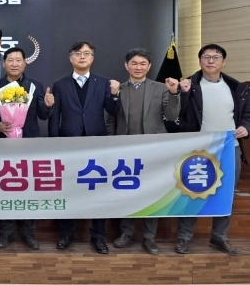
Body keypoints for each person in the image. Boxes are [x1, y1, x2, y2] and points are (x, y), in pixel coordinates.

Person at [174, 44, 249, 256]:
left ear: (224, 62)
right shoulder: (188, 85)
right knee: (191, 192)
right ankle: (184, 237)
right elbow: (176, 115)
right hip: (197, 149)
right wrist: (183, 93)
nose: (210, 61)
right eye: (206, 57)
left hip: (229, 148)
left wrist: (246, 127)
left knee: (226, 194)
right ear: (199, 61)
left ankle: (219, 237)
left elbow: (247, 115)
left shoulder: (237, 88)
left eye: (216, 57)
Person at [107, 48, 180, 255]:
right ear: (126, 66)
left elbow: (172, 115)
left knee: (151, 192)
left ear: (149, 66)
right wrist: (110, 144)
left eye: (142, 64)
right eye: (134, 63)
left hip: (153, 150)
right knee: (126, 192)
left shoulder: (161, 88)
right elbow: (111, 120)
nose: (138, 67)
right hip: (125, 150)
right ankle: (126, 233)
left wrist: (174, 93)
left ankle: (149, 237)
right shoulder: (118, 89)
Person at [48, 41, 118, 254]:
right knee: (67, 190)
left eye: (86, 53)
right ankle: (66, 234)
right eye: (78, 53)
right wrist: (54, 143)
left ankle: (98, 237)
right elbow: (54, 117)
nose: (82, 57)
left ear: (92, 58)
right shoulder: (60, 85)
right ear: (70, 58)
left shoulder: (103, 83)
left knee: (99, 192)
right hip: (68, 145)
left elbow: (113, 111)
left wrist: (115, 94)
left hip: (97, 144)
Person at [0, 47, 53, 249]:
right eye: (10, 60)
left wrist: (48, 105)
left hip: (29, 145)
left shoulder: (35, 85)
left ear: (25, 63)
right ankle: (5, 232)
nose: (14, 64)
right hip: (3, 146)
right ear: (4, 63)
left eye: (18, 60)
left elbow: (42, 115)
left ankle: (28, 232)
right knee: (4, 188)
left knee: (28, 189)